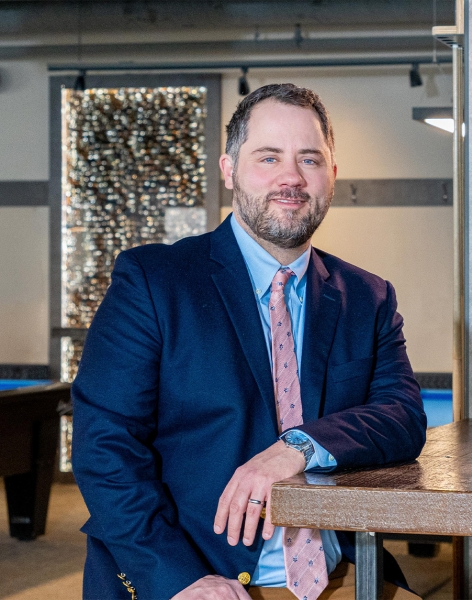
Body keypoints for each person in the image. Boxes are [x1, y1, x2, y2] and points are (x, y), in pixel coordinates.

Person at [72, 84, 427, 600]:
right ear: (230, 169)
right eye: (269, 157)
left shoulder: (367, 297)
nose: (292, 177)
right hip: (192, 578)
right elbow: (105, 447)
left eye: (310, 158)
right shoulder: (154, 281)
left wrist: (297, 448)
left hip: (338, 575)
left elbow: (402, 416)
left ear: (332, 175)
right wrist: (181, 580)